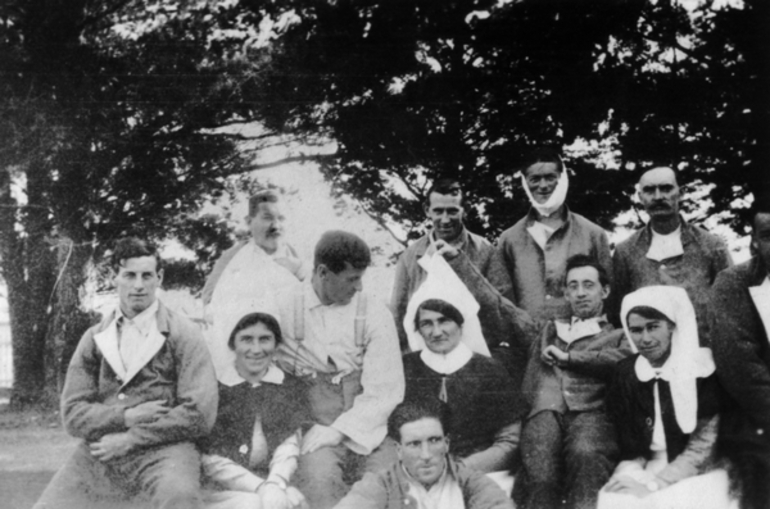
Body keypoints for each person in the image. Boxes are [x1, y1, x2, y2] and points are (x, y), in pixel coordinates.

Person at [33, 237, 218, 509]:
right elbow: (72, 413)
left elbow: (200, 413)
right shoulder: (94, 337)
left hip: (166, 450)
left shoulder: (184, 333)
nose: (139, 285)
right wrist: (126, 416)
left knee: (179, 497)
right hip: (102, 450)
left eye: (147, 275)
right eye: (129, 275)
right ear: (114, 277)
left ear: (160, 277)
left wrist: (132, 438)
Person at [273, 230, 405, 509]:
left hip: (370, 427)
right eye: (351, 278)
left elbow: (386, 389)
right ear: (323, 272)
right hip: (314, 428)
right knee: (319, 481)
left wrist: (340, 429)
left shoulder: (374, 312)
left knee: (388, 481)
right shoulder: (283, 305)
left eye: (361, 278)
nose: (358, 287)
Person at [598, 286, 733, 509]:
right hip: (647, 465)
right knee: (616, 498)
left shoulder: (702, 369)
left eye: (653, 327)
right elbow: (629, 445)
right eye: (636, 330)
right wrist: (629, 476)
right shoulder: (626, 372)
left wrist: (654, 486)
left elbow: (703, 448)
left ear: (672, 326)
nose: (645, 338)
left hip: (699, 470)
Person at [515, 255, 631, 509]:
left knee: (586, 453)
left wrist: (571, 358)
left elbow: (622, 360)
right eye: (573, 286)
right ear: (566, 294)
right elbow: (501, 308)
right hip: (545, 411)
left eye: (588, 285)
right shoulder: (549, 330)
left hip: (593, 411)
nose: (580, 293)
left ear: (605, 290)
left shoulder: (619, 334)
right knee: (541, 472)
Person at [402, 272, 522, 480]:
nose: (436, 332)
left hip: (477, 473)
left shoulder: (490, 370)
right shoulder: (406, 368)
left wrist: (459, 469)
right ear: (418, 330)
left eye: (444, 321)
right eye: (427, 324)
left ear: (461, 324)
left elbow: (509, 442)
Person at [201, 312, 311, 509]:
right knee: (252, 505)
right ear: (232, 345)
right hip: (220, 487)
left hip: (273, 481)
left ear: (276, 345)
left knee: (295, 502)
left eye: (265, 339)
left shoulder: (289, 386)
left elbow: (289, 442)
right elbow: (209, 457)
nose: (256, 349)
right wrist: (262, 488)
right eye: (246, 339)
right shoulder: (215, 389)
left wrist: (276, 484)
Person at [611, 167, 732, 342]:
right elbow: (617, 311)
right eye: (649, 190)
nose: (658, 196)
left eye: (666, 188)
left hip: (703, 349)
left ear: (680, 193)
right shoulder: (626, 251)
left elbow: (731, 305)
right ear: (640, 197)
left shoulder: (711, 246)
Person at [493, 147, 612, 325]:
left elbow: (609, 294)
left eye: (550, 177)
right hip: (529, 342)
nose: (543, 186)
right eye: (535, 179)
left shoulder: (593, 233)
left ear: (562, 179)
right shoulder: (510, 238)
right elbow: (503, 299)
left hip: (582, 340)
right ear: (525, 183)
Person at [202, 190, 307, 383]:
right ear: (249, 221)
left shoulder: (295, 256)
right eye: (267, 218)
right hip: (246, 352)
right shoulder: (234, 256)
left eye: (281, 219)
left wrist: (296, 271)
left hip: (289, 354)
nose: (276, 226)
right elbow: (208, 300)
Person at [333, 400, 515, 509]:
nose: (426, 455)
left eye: (434, 440)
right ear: (398, 449)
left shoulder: (470, 482)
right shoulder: (380, 484)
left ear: (447, 443)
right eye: (414, 444)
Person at [709, 203, 770, 509]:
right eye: (769, 235)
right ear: (754, 242)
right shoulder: (733, 284)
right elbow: (740, 367)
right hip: (757, 417)